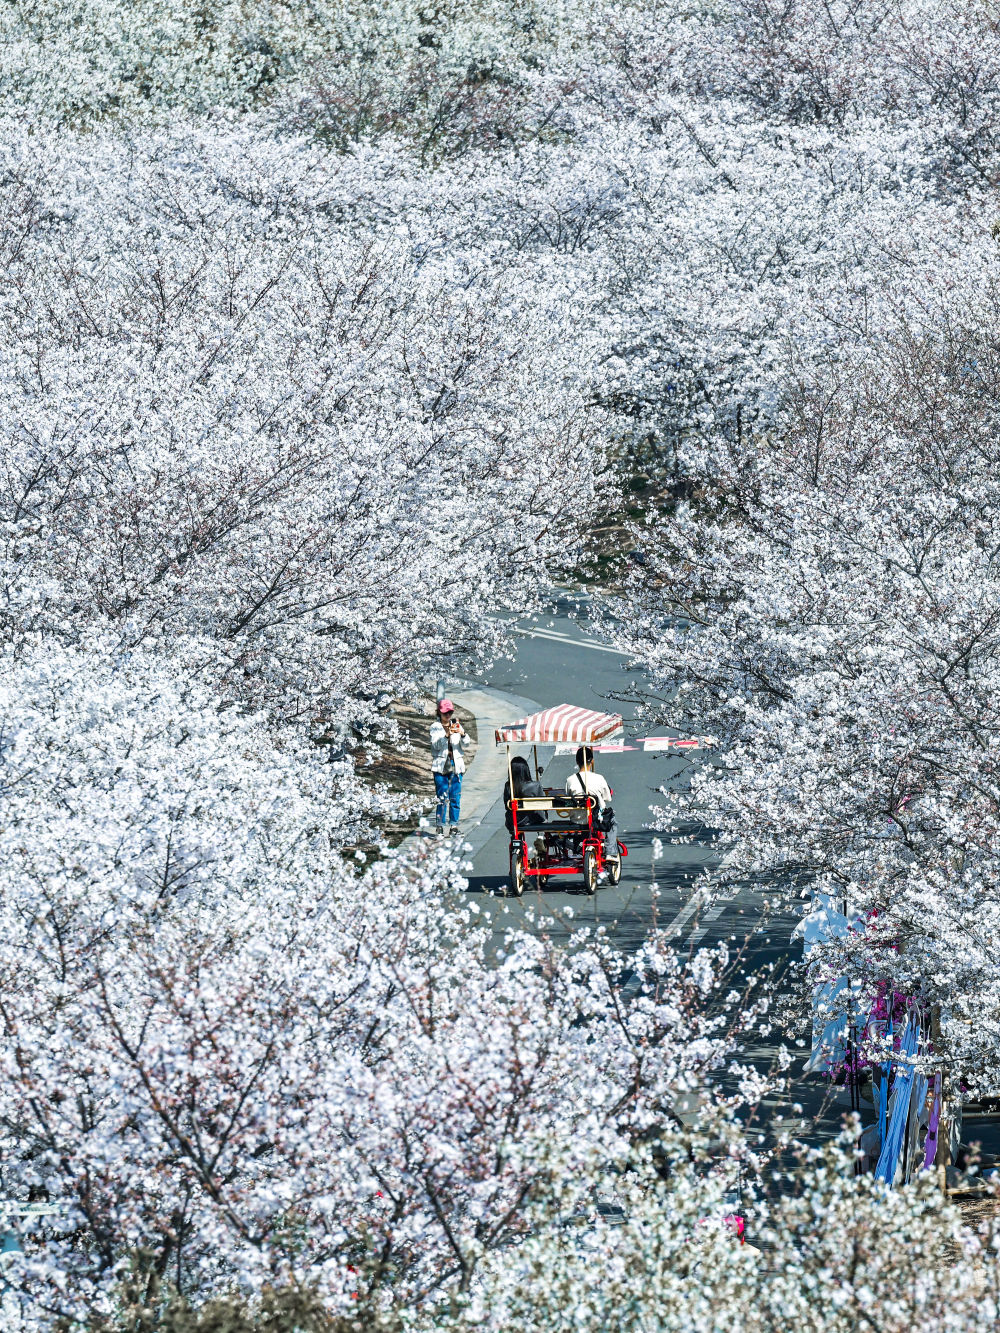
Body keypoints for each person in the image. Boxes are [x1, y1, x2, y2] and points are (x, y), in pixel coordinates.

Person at [565, 745, 621, 865]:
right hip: (596, 819)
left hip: (577, 819)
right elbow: (608, 798)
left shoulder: (570, 780)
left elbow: (568, 798)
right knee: (613, 822)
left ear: (577, 761)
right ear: (592, 761)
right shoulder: (599, 778)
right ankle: (610, 852)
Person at [429, 697, 470, 835]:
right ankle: (439, 827)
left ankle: (454, 826)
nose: (448, 715)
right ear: (439, 712)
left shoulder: (456, 724)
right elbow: (436, 745)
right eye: (445, 713)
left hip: (456, 765)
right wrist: (447, 734)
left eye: (450, 712)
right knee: (442, 797)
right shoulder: (435, 727)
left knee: (455, 797)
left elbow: (467, 744)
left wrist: (462, 733)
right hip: (441, 766)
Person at [503, 756, 548, 835]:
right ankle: (541, 837)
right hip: (533, 819)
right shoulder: (536, 785)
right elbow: (544, 804)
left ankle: (516, 839)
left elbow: (506, 806)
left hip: (514, 821)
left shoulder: (508, 786)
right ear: (526, 770)